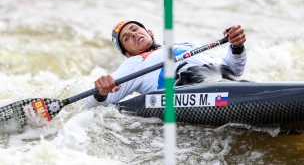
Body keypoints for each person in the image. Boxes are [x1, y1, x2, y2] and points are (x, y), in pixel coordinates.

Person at [85, 20, 247, 108]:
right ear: (127, 54)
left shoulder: (187, 45)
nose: (133, 35)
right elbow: (94, 106)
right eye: (126, 38)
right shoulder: (135, 63)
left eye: (135, 29)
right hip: (198, 92)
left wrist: (236, 46)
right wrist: (102, 92)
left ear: (150, 32)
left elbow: (234, 69)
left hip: (229, 84)